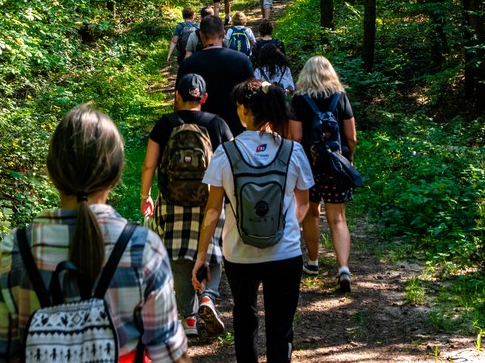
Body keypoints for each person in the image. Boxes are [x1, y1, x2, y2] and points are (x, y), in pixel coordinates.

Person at [0, 104, 189, 363]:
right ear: (115, 174)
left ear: (52, 171)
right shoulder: (143, 249)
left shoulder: (16, 250)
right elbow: (169, 355)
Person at [192, 80, 314, 363]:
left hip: (239, 254)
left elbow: (212, 211)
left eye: (238, 107)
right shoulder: (293, 151)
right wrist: (284, 228)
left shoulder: (225, 153)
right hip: (285, 253)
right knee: (281, 328)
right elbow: (304, 203)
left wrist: (201, 257)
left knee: (245, 321)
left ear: (245, 110)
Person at [141, 74, 232, 338]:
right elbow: (233, 161)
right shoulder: (217, 124)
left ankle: (189, 320)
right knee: (213, 251)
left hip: (172, 200)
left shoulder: (166, 124)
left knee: (180, 257)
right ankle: (208, 299)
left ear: (177, 97)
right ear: (203, 98)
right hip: (210, 201)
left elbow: (149, 164)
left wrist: (145, 195)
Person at [290, 56, 357, 293]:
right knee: (338, 218)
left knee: (311, 213)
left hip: (310, 166)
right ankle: (343, 269)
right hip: (336, 166)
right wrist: (348, 158)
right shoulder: (340, 97)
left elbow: (296, 138)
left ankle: (313, 262)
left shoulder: (299, 99)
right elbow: (352, 137)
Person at [176, 15, 253, 136]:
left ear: (201, 35)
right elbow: (252, 97)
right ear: (223, 34)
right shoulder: (242, 60)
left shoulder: (188, 64)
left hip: (200, 132)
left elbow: (178, 101)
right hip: (236, 130)